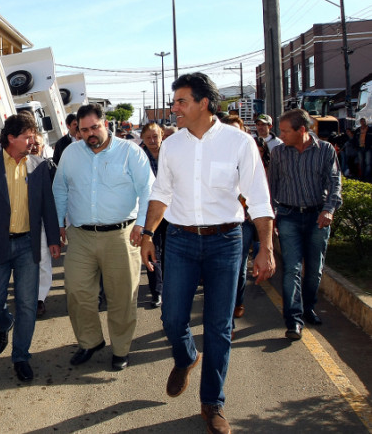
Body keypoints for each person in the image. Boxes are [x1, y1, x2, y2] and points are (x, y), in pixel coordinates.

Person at [139, 73, 274, 434]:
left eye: (181, 101)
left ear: (204, 103)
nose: (174, 108)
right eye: (174, 101)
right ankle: (185, 356)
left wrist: (266, 248)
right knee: (171, 317)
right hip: (181, 241)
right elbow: (162, 192)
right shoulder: (172, 144)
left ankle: (212, 403)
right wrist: (149, 232)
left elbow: (259, 198)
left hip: (226, 241)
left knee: (219, 326)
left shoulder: (239, 142)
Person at [53, 103, 153, 371]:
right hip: (81, 236)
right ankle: (90, 341)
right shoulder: (71, 154)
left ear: (105, 124)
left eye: (94, 127)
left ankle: (120, 349)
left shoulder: (130, 152)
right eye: (83, 130)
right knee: (76, 292)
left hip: (122, 235)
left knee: (122, 297)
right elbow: (60, 189)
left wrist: (142, 227)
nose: (89, 134)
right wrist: (58, 225)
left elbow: (148, 190)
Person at [0, 113, 60, 383]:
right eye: (27, 136)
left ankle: (21, 356)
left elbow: (47, 207)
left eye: (33, 136)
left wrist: (53, 239)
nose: (33, 141)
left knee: (28, 303)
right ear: (11, 138)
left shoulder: (40, 166)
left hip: (27, 245)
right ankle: (5, 323)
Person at [270, 109, 342, 340]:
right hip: (289, 216)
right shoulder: (280, 153)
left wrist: (329, 209)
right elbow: (272, 187)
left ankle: (309, 307)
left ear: (302, 130)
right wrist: (270, 216)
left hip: (317, 218)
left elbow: (335, 182)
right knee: (291, 269)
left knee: (314, 269)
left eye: (284, 131)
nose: (280, 135)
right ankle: (293, 319)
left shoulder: (326, 151)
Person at [233, 135, 271, 328]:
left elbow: (265, 196)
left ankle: (237, 302)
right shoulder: (230, 160)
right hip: (231, 221)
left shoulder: (265, 166)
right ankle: (228, 314)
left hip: (249, 221)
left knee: (239, 264)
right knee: (234, 265)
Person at [139, 122, 167, 308]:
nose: (152, 141)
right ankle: (156, 292)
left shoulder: (171, 153)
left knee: (171, 252)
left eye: (155, 136)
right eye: (148, 137)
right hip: (149, 212)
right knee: (152, 252)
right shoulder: (138, 156)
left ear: (162, 135)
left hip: (172, 210)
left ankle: (171, 288)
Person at [30, 133, 54, 317]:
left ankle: (40, 299)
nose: (34, 147)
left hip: (43, 223)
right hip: (23, 223)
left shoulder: (49, 166)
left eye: (37, 144)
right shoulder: (19, 166)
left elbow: (56, 196)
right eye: (31, 144)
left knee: (43, 260)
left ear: (43, 145)